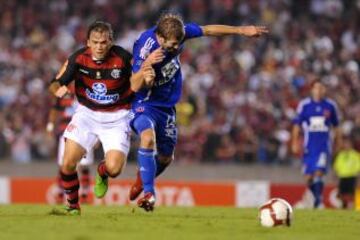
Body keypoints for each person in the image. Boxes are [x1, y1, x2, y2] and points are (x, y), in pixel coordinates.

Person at [128, 12, 269, 211]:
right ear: (160, 38)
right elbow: (133, 86)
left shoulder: (179, 32)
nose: (176, 49)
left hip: (166, 106)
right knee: (148, 138)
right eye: (171, 46)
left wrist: (240, 30)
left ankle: (142, 179)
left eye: (178, 44)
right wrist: (146, 66)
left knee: (166, 158)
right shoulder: (145, 47)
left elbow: (208, 29)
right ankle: (149, 194)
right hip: (144, 102)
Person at [48, 20, 154, 215]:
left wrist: (145, 79)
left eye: (103, 42)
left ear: (110, 41)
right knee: (68, 163)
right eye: (95, 42)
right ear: (88, 42)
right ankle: (73, 206)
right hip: (86, 115)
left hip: (118, 117)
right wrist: (58, 89)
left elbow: (137, 83)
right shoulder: (78, 58)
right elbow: (54, 83)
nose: (99, 47)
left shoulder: (123, 58)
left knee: (114, 169)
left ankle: (102, 173)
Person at [291, 81, 342, 208]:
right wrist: (295, 142)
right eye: (316, 88)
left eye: (321, 88)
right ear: (312, 90)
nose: (319, 90)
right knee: (308, 177)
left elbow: (336, 126)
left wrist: (338, 142)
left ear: (324, 90)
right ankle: (314, 198)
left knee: (318, 172)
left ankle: (318, 202)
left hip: (323, 146)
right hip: (309, 146)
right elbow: (297, 125)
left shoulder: (330, 106)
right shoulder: (305, 105)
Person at [46, 83, 94, 204]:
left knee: (84, 165)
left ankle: (84, 195)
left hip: (85, 132)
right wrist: (50, 126)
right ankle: (60, 195)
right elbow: (55, 108)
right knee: (64, 165)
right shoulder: (63, 90)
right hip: (66, 131)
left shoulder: (88, 87)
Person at [333, 136, 360, 209]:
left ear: (351, 145)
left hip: (352, 176)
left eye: (348, 144)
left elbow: (358, 166)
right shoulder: (340, 155)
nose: (346, 145)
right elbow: (336, 166)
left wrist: (357, 176)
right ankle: (343, 205)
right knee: (341, 193)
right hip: (342, 176)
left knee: (352, 193)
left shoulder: (355, 155)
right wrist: (336, 174)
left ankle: (353, 205)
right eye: (345, 144)